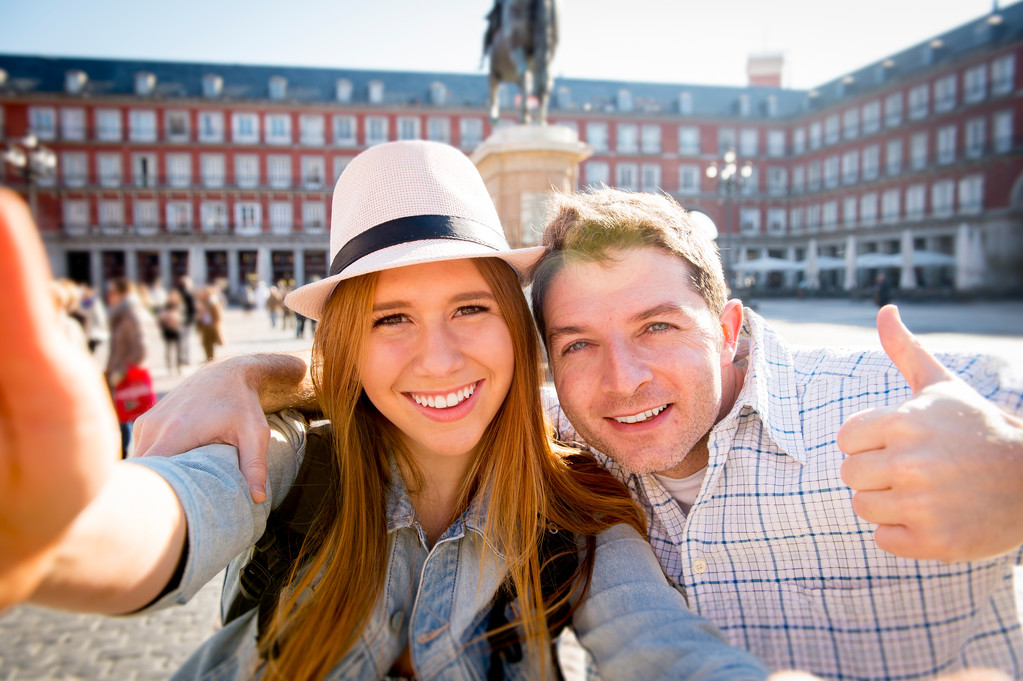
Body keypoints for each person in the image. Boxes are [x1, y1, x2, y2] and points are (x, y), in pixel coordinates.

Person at [135, 187, 1023, 680]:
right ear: (544, 364)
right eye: (577, 345)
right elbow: (422, 384)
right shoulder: (557, 438)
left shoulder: (909, 395)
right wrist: (252, 372)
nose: (623, 380)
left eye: (657, 327)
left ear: (729, 326)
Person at [0, 145, 773, 681]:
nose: (437, 359)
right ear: (348, 346)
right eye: (390, 318)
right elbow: (169, 517)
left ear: (517, 327)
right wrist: (62, 534)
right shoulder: (289, 456)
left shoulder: (576, 509)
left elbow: (667, 650)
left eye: (470, 307)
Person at [105, 276, 151, 458]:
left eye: (112, 292)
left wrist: (120, 371)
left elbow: (140, 348)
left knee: (125, 418)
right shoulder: (123, 313)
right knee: (125, 418)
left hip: (126, 375)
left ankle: (124, 457)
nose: (109, 296)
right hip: (121, 372)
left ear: (121, 293)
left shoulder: (130, 314)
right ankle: (124, 455)